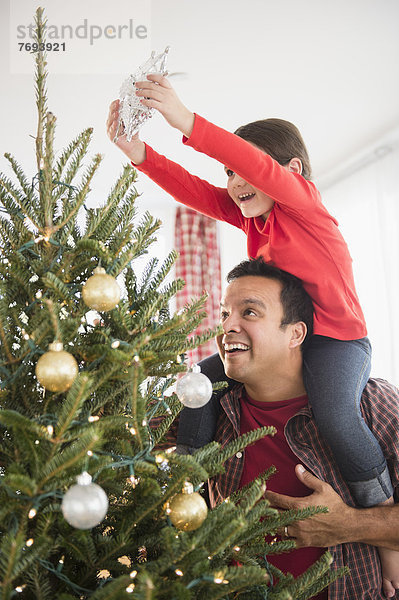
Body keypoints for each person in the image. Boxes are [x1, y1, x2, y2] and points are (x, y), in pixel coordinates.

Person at [106, 76, 398, 589]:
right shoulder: (254, 223)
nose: (235, 182)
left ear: (291, 172)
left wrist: (185, 119)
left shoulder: (306, 208)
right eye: (228, 172)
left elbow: (259, 168)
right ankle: (190, 484)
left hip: (338, 342)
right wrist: (139, 153)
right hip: (291, 343)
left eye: (244, 170)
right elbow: (195, 192)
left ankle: (384, 535)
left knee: (335, 414)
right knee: (199, 384)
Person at [151, 258, 399, 599]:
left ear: (295, 334)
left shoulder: (371, 404)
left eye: (249, 313)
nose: (227, 327)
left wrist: (347, 525)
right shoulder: (203, 410)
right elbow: (118, 439)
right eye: (224, 314)